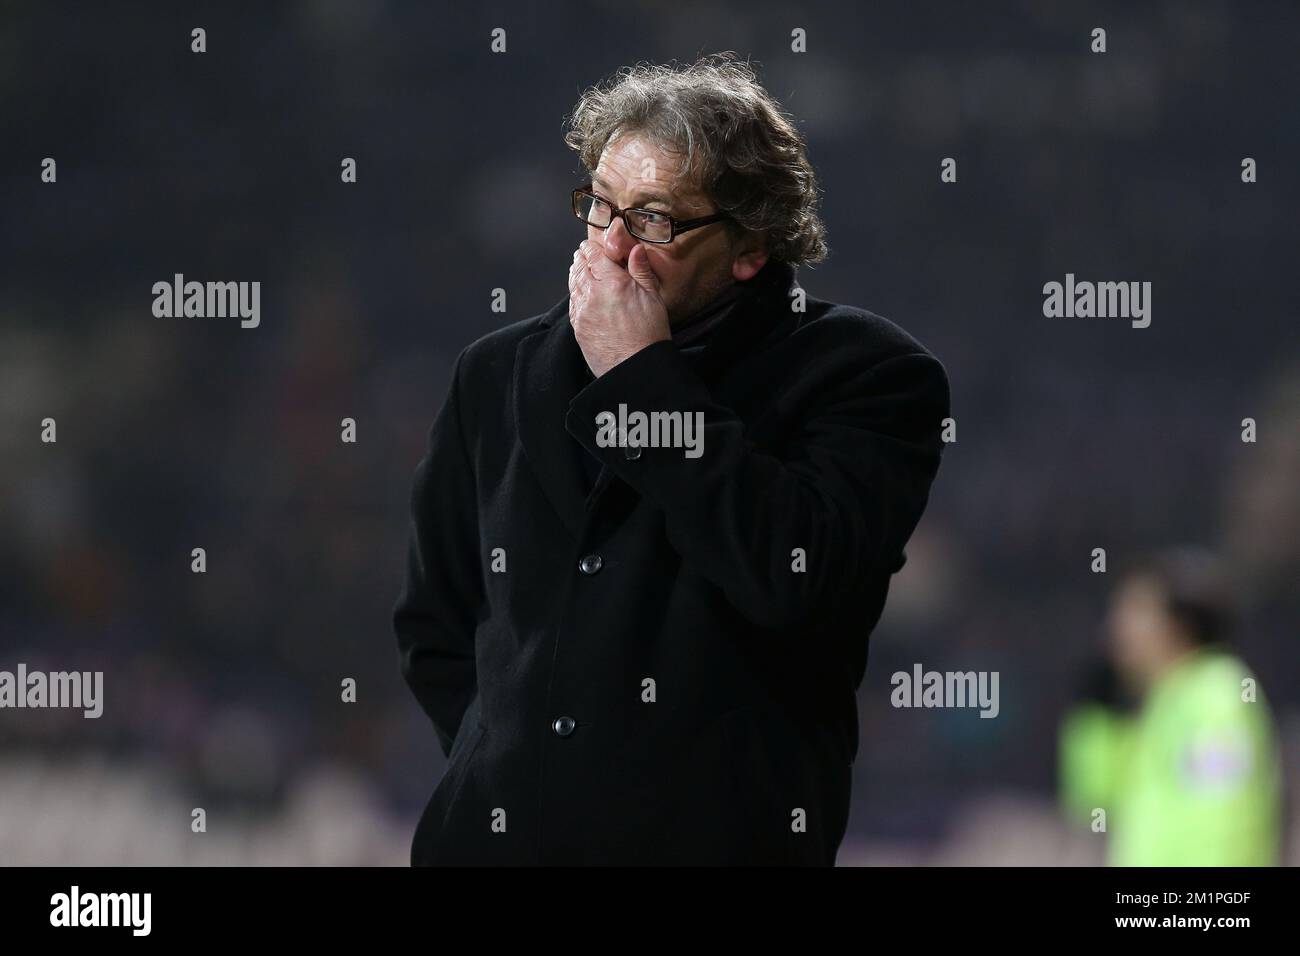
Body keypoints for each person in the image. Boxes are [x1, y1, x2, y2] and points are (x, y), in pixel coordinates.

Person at [394, 53, 950, 865]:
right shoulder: (496, 371)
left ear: (750, 245)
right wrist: (510, 769)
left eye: (653, 220)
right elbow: (435, 623)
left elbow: (794, 579)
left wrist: (638, 379)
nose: (612, 247)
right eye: (600, 208)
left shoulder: (867, 376)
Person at [1059, 547, 1284, 865]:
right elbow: (1095, 798)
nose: (1118, 629)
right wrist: (1098, 712)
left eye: (1136, 611)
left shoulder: (1217, 696)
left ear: (1181, 624)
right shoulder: (1160, 704)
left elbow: (1225, 820)